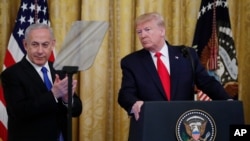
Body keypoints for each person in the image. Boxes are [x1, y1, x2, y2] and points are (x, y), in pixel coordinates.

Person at [118, 12, 232, 121]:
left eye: (147, 30)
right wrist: (134, 103)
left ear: (162, 31)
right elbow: (125, 94)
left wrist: (228, 101)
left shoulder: (187, 55)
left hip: (183, 122)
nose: (143, 35)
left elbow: (207, 83)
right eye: (139, 32)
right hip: (151, 123)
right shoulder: (131, 62)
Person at [0, 23, 82, 141]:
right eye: (34, 44)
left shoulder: (60, 70)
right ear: (25, 44)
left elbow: (77, 110)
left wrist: (66, 99)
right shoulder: (11, 74)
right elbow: (18, 112)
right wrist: (53, 94)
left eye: (45, 45)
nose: (40, 51)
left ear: (52, 44)